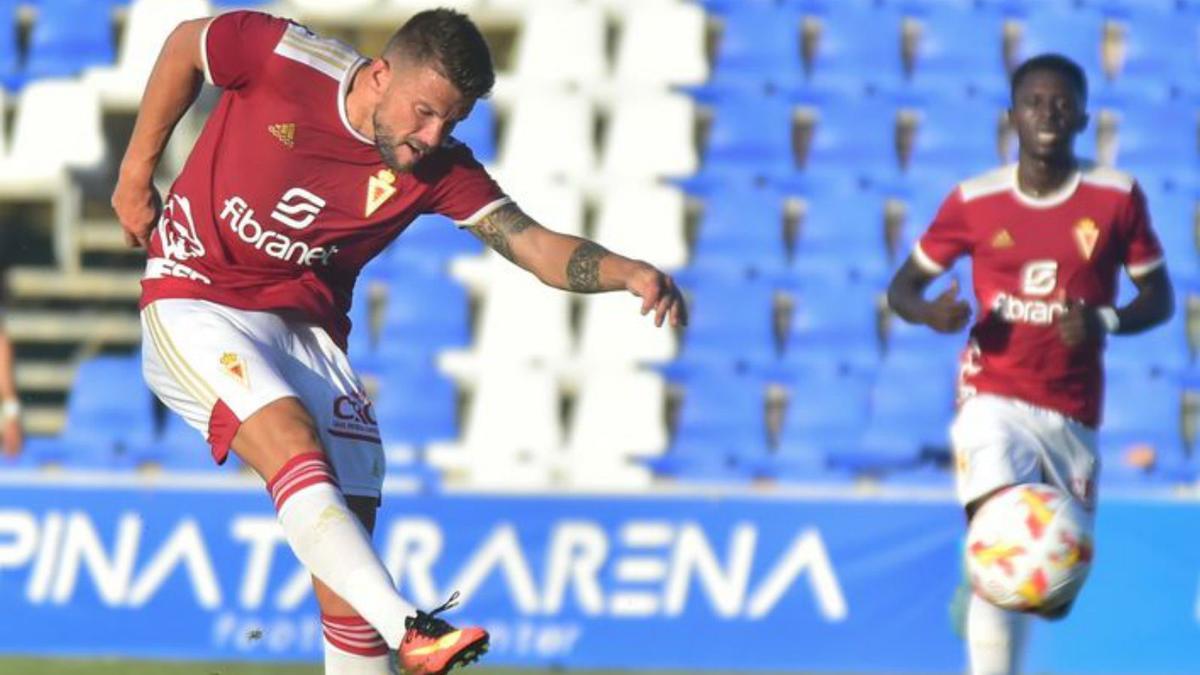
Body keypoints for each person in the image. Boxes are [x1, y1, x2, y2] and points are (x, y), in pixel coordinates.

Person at [111, 9, 686, 675]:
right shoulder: (280, 57)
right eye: (424, 112)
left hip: (307, 334)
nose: (432, 135)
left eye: (452, 121)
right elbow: (187, 44)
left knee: (348, 577)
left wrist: (625, 271)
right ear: (381, 75)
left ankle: (388, 627)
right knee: (292, 441)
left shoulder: (438, 166)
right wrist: (135, 171)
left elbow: (531, 243)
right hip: (197, 295)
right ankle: (411, 626)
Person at [886, 53, 1173, 675]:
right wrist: (929, 313)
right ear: (1012, 115)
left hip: (1072, 409)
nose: (1048, 113)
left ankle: (984, 577)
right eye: (1034, 102)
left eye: (1062, 102)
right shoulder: (974, 201)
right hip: (992, 392)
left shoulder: (1117, 198)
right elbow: (902, 287)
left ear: (1084, 116)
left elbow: (1160, 296)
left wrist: (1105, 318)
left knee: (1051, 599)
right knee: (1001, 543)